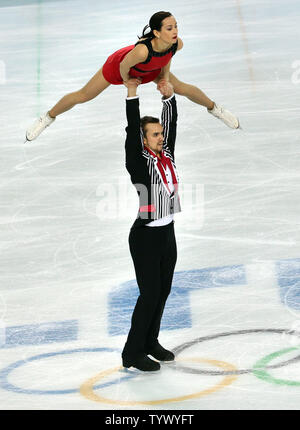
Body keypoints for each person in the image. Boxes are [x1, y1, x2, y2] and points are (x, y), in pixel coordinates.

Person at [26, 11, 239, 142]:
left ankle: (215, 109)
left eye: (176, 26)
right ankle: (47, 117)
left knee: (181, 87)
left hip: (150, 69)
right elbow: (124, 65)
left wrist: (164, 77)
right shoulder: (141, 51)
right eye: (169, 28)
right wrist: (128, 82)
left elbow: (168, 56)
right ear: (156, 32)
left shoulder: (176, 43)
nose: (175, 31)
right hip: (121, 67)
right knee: (84, 95)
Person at [121, 77, 180, 372]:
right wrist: (132, 94)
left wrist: (168, 98)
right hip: (145, 237)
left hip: (167, 233)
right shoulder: (139, 161)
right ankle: (132, 352)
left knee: (163, 291)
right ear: (144, 140)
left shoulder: (166, 156)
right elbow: (133, 130)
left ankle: (151, 342)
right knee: (149, 295)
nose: (160, 137)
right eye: (154, 134)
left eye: (160, 133)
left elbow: (172, 126)